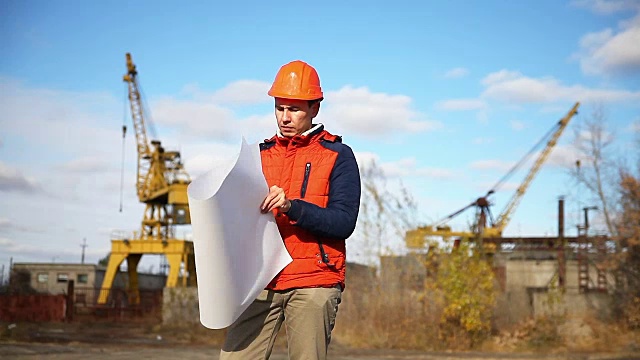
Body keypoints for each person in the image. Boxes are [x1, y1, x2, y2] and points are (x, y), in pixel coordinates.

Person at [220, 60, 361, 359]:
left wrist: (291, 207)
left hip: (314, 279)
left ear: (314, 109)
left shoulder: (339, 156)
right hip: (260, 281)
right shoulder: (257, 155)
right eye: (280, 108)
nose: (285, 117)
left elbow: (344, 222)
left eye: (294, 109)